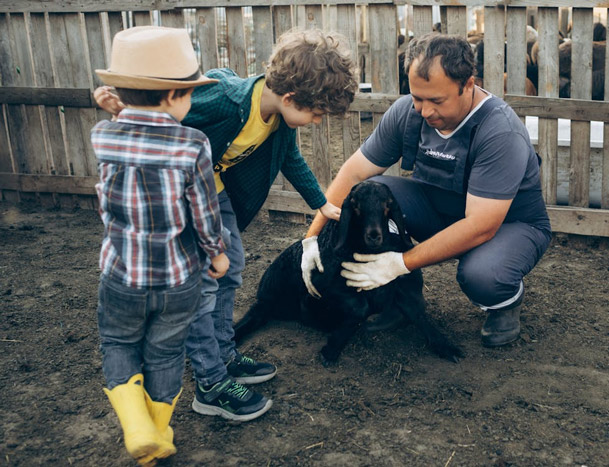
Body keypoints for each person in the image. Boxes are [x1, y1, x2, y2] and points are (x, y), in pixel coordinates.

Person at [95, 28, 358, 421]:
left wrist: (322, 204)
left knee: (231, 268)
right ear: (290, 98)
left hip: (214, 195)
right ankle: (211, 382)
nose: (317, 122)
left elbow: (291, 161)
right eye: (316, 113)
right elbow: (158, 113)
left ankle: (224, 352)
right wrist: (121, 110)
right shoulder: (222, 99)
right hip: (178, 201)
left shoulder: (279, 121)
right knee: (201, 286)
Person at [301, 32, 551, 347]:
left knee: (482, 275)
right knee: (372, 195)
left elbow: (481, 226)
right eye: (418, 97)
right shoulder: (409, 112)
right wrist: (310, 239)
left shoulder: (499, 131)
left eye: (436, 100)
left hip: (508, 225)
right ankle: (396, 302)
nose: (424, 110)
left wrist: (400, 262)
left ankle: (504, 302)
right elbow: (354, 172)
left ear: (468, 86)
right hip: (440, 210)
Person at [91, 26, 228, 464]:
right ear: (173, 95)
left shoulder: (104, 136)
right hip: (178, 278)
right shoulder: (192, 145)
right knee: (166, 351)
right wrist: (217, 253)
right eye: (189, 93)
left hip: (120, 276)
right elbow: (204, 214)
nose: (191, 102)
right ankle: (159, 432)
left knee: (118, 343)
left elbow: (130, 138)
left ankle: (137, 430)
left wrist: (118, 112)